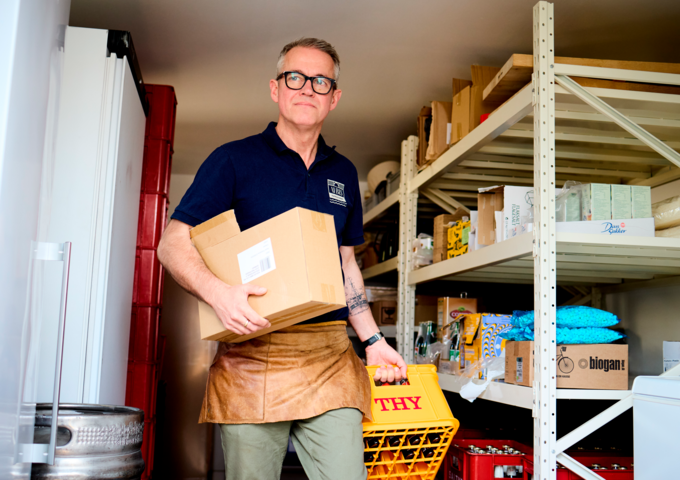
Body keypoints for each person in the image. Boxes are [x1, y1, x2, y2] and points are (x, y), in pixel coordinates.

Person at [157, 37, 407, 480]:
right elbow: (172, 244)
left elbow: (346, 263)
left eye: (320, 81)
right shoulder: (233, 160)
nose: (307, 88)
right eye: (295, 77)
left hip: (330, 355)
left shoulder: (344, 172)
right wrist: (218, 294)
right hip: (253, 355)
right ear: (276, 88)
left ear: (334, 97)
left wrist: (372, 340)